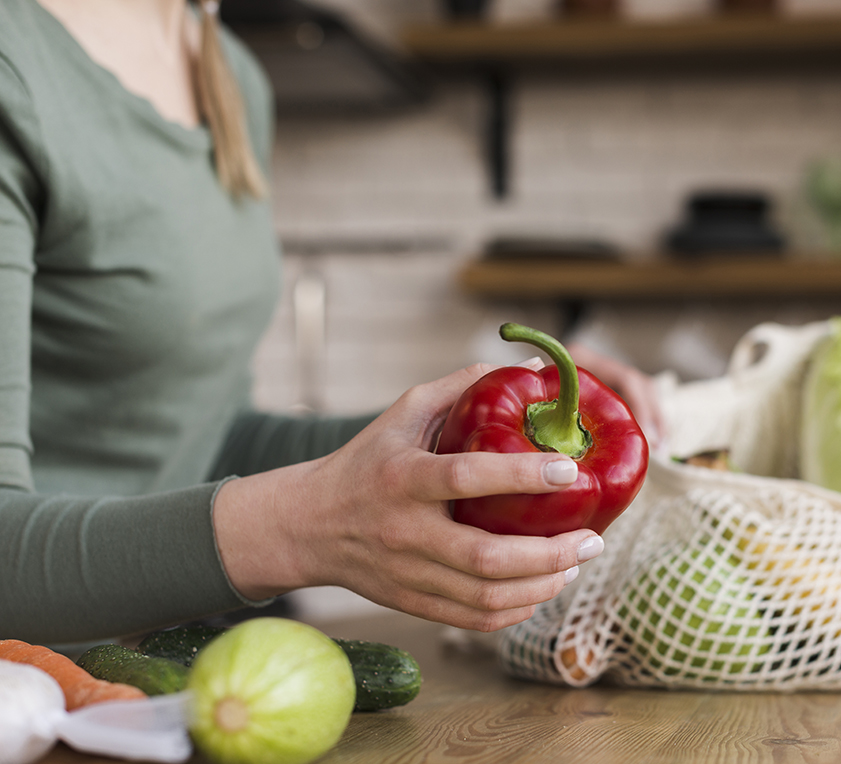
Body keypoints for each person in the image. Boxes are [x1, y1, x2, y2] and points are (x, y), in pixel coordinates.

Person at [0, 0, 665, 645]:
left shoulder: (223, 67)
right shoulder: (16, 64)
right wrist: (304, 527)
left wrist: (459, 437)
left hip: (128, 694)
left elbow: (208, 442)